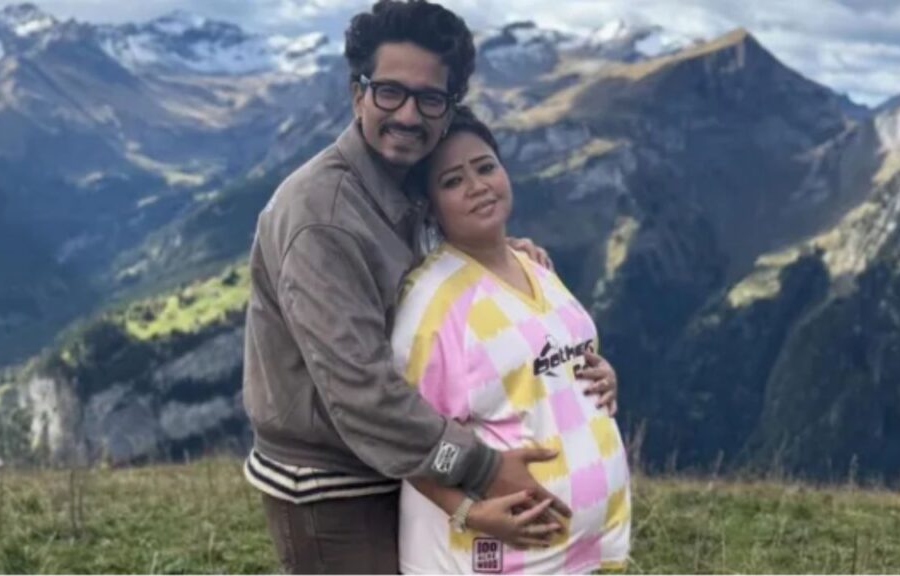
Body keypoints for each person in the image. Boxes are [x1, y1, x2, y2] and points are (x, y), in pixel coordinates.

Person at [240, 1, 617, 573]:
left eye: (429, 99)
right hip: (334, 484)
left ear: (448, 109)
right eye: (390, 92)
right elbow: (360, 393)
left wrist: (505, 274)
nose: (408, 115)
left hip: (405, 465)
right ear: (358, 94)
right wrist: (484, 469)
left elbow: (444, 313)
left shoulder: (410, 184)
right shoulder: (325, 218)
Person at [391, 107, 631, 574]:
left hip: (573, 554)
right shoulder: (431, 303)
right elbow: (403, 436)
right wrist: (468, 511)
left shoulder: (533, 265)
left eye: (485, 167)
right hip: (488, 557)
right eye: (452, 181)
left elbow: (545, 363)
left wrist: (600, 376)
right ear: (430, 206)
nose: (477, 185)